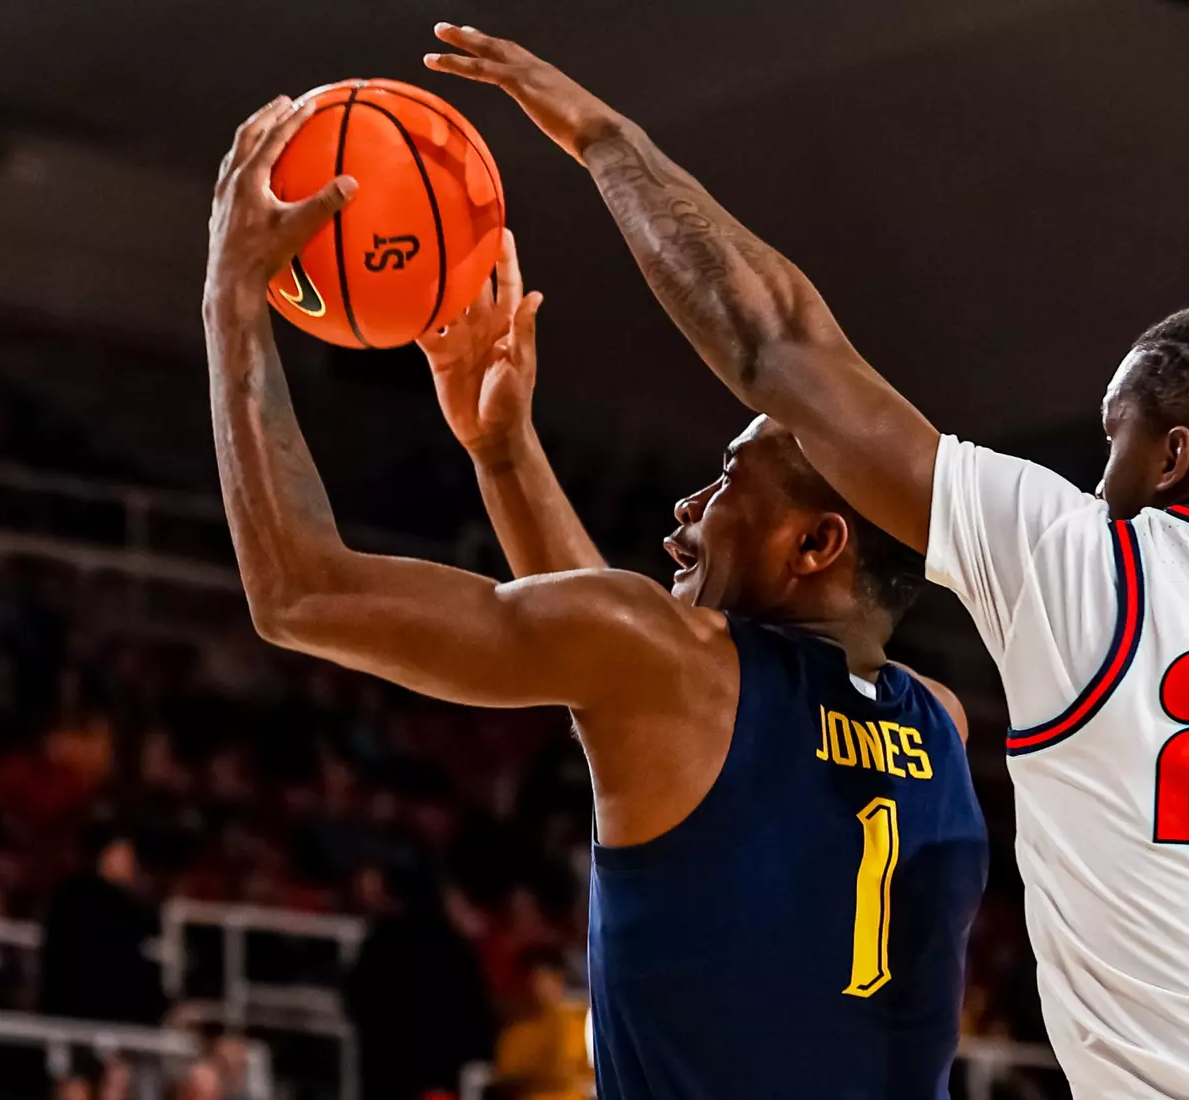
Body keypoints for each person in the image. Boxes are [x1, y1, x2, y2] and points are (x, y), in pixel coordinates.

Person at [423, 27, 1189, 1100]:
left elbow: (779, 346)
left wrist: (609, 139)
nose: (1101, 472)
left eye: (1117, 437)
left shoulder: (1090, 567)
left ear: (1175, 454)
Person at [203, 99, 987, 1099]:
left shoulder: (680, 665)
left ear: (816, 541)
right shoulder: (944, 726)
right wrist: (502, 452)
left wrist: (232, 301)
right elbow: (615, 674)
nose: (686, 509)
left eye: (728, 484)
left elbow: (301, 590)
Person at [343, 870, 496, 1100]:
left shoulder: (380, 939)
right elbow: (476, 1017)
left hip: (383, 1072)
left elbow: (354, 998)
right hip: (439, 1079)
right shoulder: (456, 950)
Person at [40, 824, 166, 1025]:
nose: (131, 863)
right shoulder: (76, 896)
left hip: (124, 1017)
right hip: (81, 1011)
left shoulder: (137, 908)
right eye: (124, 854)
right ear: (103, 855)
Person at [493, 949, 591, 1100]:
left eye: (547, 980)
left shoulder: (580, 1023)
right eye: (535, 980)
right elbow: (507, 1076)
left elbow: (591, 1073)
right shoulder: (517, 1031)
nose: (539, 987)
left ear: (560, 981)